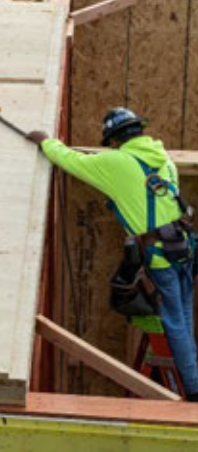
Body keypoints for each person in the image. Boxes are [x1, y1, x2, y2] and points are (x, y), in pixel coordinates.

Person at [28, 108, 198, 401]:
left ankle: (194, 391)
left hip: (160, 259)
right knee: (184, 316)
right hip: (183, 250)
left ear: (116, 139)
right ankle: (194, 376)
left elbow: (70, 160)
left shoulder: (116, 161)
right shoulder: (164, 160)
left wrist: (45, 141)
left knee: (175, 323)